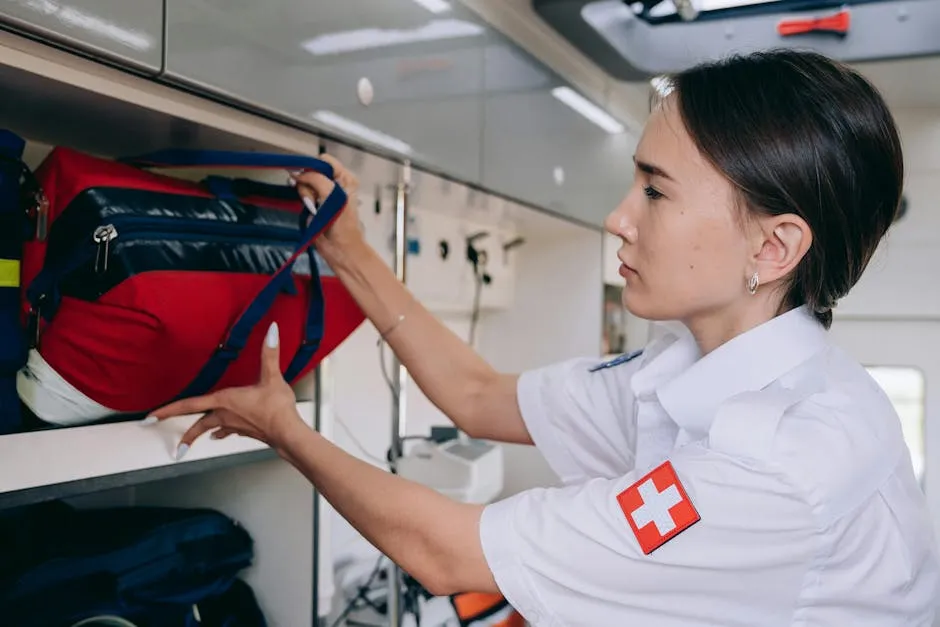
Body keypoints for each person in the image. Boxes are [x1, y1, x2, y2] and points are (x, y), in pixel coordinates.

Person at [146, 49, 940, 625]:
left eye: (655, 192)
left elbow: (447, 553)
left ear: (773, 248)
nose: (618, 218)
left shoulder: (776, 464)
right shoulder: (694, 370)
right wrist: (351, 252)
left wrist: (284, 425)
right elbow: (479, 395)